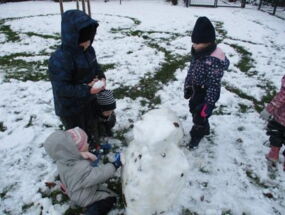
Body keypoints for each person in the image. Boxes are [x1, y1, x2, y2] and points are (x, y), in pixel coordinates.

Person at [48, 9, 116, 148]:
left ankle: (97, 135)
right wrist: (87, 89)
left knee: (92, 123)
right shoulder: (60, 59)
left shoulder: (89, 50)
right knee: (78, 137)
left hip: (88, 100)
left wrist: (101, 78)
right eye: (84, 41)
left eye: (90, 39)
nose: (87, 44)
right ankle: (81, 153)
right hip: (70, 107)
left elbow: (96, 68)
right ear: (73, 37)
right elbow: (61, 89)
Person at [44, 127, 122, 215]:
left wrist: (97, 151)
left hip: (74, 188)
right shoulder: (79, 169)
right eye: (86, 143)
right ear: (77, 150)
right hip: (84, 197)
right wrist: (114, 165)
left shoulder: (64, 159)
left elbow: (83, 155)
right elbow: (98, 175)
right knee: (109, 199)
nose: (88, 144)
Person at [184, 16, 230, 149]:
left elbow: (214, 85)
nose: (194, 45)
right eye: (193, 42)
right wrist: (188, 86)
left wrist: (209, 103)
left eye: (197, 43)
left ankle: (197, 135)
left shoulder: (214, 60)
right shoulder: (198, 52)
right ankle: (205, 127)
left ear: (208, 42)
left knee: (200, 115)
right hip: (196, 89)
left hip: (206, 92)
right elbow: (191, 70)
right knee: (194, 109)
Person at [261, 75, 285, 170]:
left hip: (281, 118)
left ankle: (273, 154)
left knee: (276, 134)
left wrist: (269, 110)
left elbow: (281, 98)